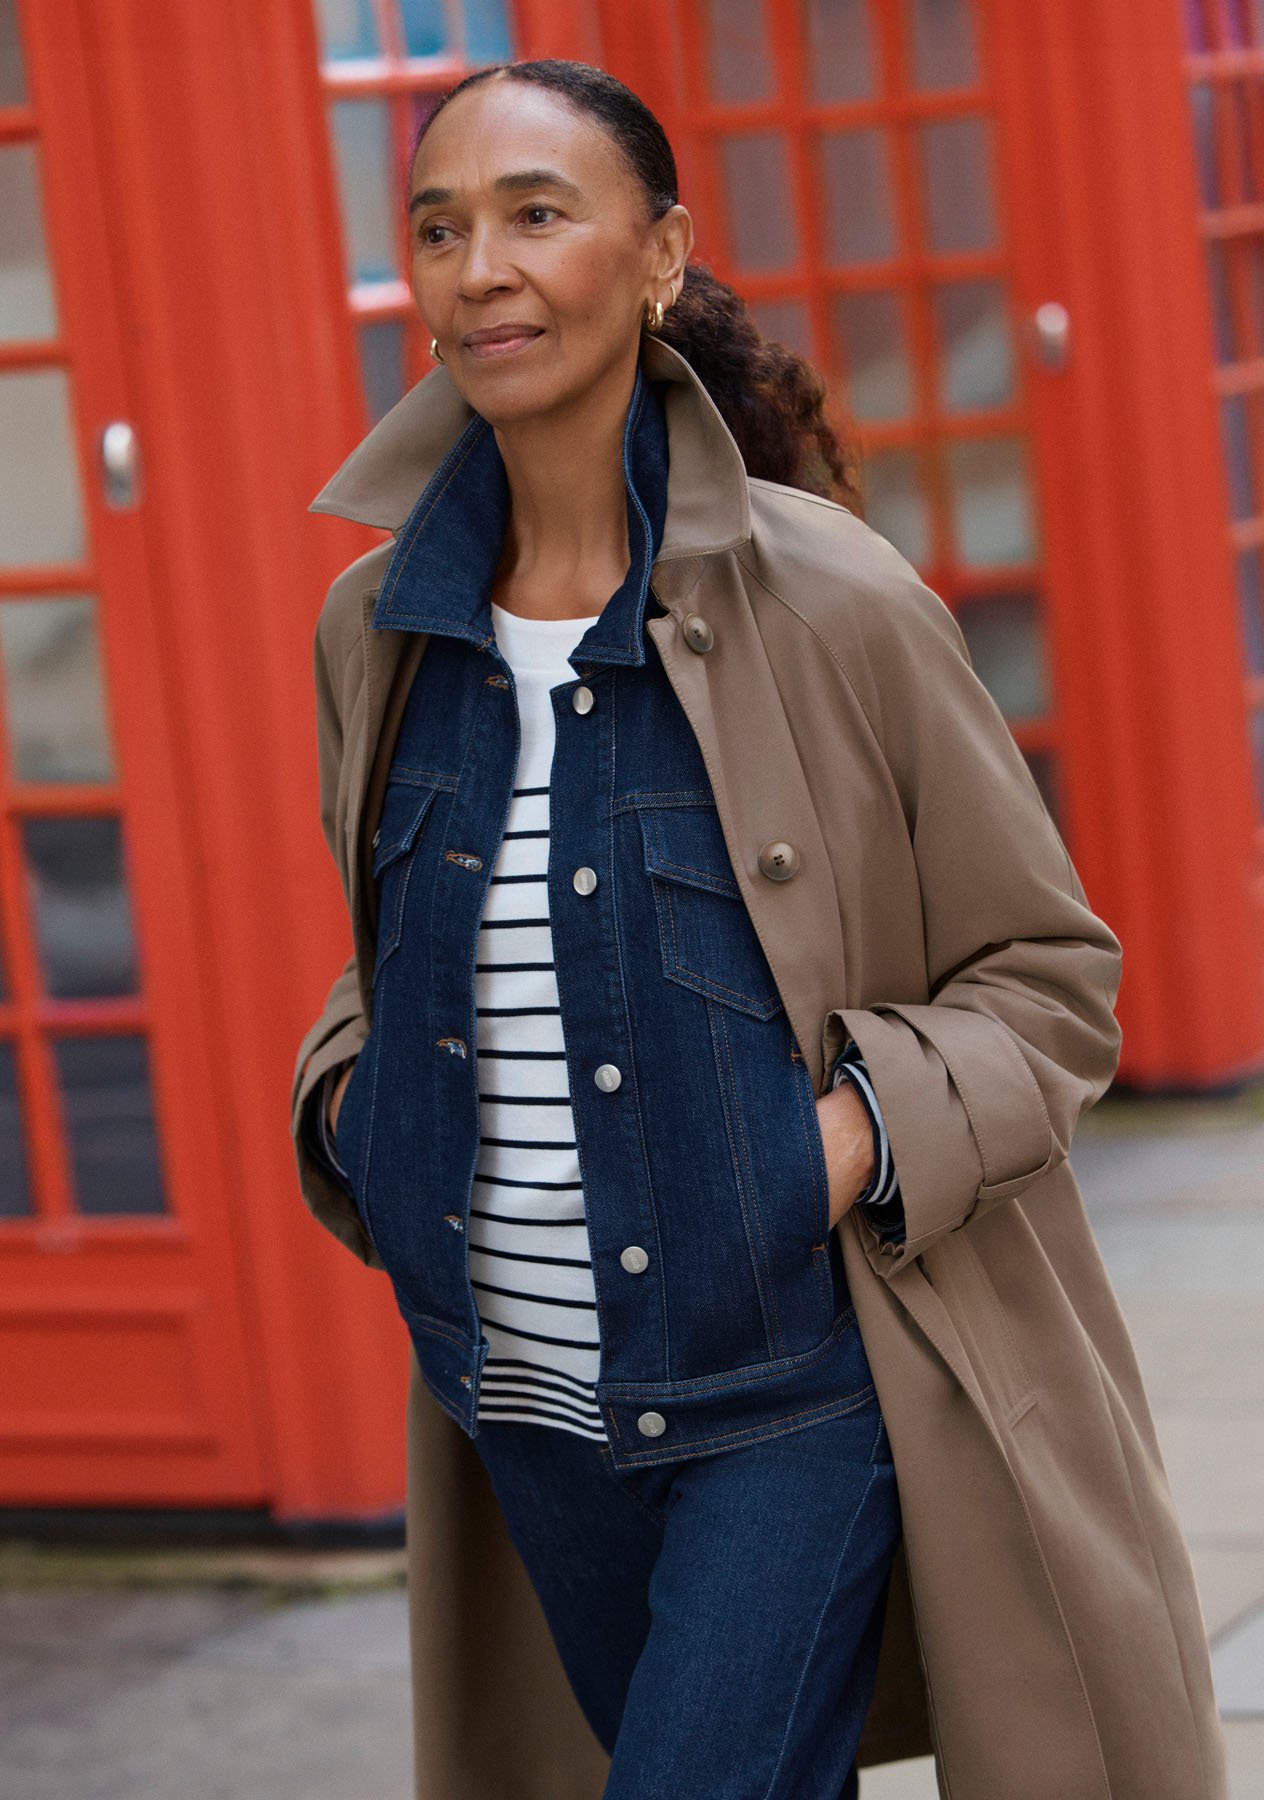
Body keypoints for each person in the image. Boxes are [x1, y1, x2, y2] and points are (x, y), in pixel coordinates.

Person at [290, 57, 1227, 1800]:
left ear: (660, 256)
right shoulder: (375, 627)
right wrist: (355, 1110)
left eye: (535, 215)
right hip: (526, 1411)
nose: (478, 267)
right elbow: (382, 952)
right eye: (438, 228)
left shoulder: (834, 600)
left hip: (785, 1396)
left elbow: (1053, 981)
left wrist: (827, 1148)